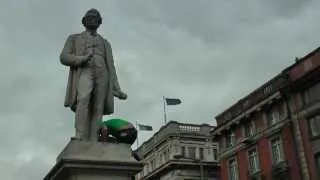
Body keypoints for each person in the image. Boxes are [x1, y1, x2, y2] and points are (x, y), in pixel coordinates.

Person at [60, 8, 127, 141]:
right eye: (89, 17)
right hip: (85, 70)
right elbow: (64, 57)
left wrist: (117, 89)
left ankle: (93, 138)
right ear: (84, 21)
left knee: (98, 107)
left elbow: (111, 67)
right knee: (83, 100)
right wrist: (81, 59)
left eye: (95, 17)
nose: (92, 19)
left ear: (99, 22)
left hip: (103, 73)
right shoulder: (74, 38)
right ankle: (80, 134)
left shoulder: (105, 43)